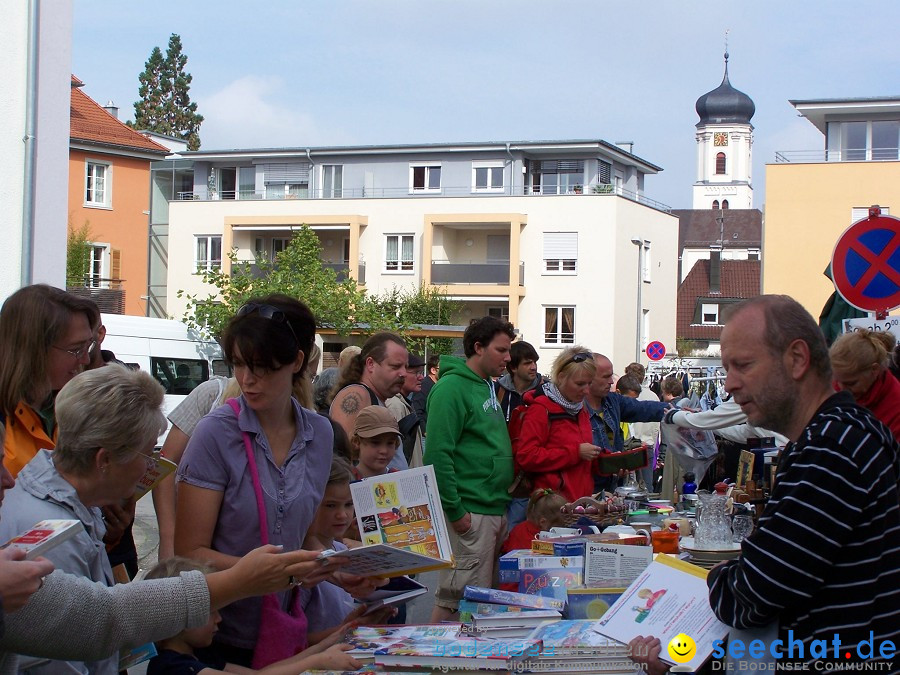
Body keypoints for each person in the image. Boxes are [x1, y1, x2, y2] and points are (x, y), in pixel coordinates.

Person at [0, 407, 332, 672]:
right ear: (104, 460)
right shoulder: (46, 524)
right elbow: (97, 619)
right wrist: (238, 582)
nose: (8, 479)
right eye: (147, 455)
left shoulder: (67, 511)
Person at [707, 295, 900, 666]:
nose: (729, 384)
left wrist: (718, 578)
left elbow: (758, 590)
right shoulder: (844, 432)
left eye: (743, 365)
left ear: (796, 359)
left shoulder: (832, 445)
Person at [175, 296, 340, 666]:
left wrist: (337, 569)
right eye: (238, 364)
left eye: (263, 367)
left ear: (297, 362)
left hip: (286, 627)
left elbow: (307, 536)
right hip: (217, 631)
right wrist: (262, 574)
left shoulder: (321, 433)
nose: (247, 379)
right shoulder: (214, 434)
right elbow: (188, 554)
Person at [424, 316, 516, 622]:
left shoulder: (487, 385)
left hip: (491, 507)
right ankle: (432, 663)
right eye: (501, 350)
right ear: (478, 347)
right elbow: (437, 455)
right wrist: (456, 511)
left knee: (478, 603)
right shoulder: (452, 388)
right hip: (471, 511)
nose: (508, 357)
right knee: (456, 599)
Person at [146, 557, 363, 674]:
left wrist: (335, 638)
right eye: (211, 611)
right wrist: (319, 660)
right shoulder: (171, 667)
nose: (219, 618)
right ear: (181, 616)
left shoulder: (200, 655)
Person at [0, 284, 100, 478]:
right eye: (76, 349)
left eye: (88, 346)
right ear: (34, 349)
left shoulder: (69, 411)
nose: (85, 360)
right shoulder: (6, 417)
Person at [513, 347, 600, 505]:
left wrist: (608, 461)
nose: (586, 391)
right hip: (552, 508)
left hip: (579, 504)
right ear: (561, 378)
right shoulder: (541, 409)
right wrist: (576, 453)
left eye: (589, 383)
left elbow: (583, 459)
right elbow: (526, 457)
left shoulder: (579, 408)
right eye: (580, 384)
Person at [585, 354, 668, 493]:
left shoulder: (613, 401)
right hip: (587, 490)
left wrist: (675, 411)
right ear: (588, 378)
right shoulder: (575, 408)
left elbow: (643, 408)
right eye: (606, 377)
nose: (611, 382)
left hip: (613, 487)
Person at [329, 333, 408, 471]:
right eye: (395, 366)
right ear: (370, 364)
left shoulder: (371, 397)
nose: (404, 373)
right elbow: (341, 459)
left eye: (405, 367)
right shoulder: (357, 395)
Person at [829, 328, 900, 439]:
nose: (842, 389)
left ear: (874, 370)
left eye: (851, 383)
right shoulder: (832, 390)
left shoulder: (895, 407)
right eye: (837, 382)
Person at [385, 353, 425, 468]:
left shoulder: (403, 403)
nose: (421, 377)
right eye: (417, 372)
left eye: (421, 372)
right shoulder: (395, 406)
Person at [350, 406, 402, 480]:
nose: (384, 451)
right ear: (357, 442)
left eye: (390, 443)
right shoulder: (345, 482)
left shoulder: (399, 478)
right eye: (375, 443)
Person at [496, 341, 544, 422]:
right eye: (527, 363)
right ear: (513, 368)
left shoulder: (546, 391)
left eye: (535, 362)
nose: (534, 367)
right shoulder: (497, 390)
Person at [410, 353, 439, 432]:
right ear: (433, 370)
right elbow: (417, 410)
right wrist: (425, 431)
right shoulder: (424, 385)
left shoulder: (438, 386)